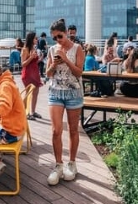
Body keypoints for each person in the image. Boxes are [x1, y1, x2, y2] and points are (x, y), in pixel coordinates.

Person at [46, 18, 85, 185]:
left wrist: (66, 59)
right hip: (55, 92)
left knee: (73, 130)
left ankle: (72, 163)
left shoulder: (77, 49)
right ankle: (58, 164)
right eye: (54, 38)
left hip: (73, 93)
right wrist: (54, 63)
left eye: (59, 36)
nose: (57, 41)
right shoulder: (51, 50)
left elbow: (78, 73)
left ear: (66, 32)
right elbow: (48, 74)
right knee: (56, 131)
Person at [21, 31, 43, 120]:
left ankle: (32, 112)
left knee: (35, 93)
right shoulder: (25, 49)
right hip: (28, 74)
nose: (37, 40)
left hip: (35, 73)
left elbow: (33, 63)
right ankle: (25, 113)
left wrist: (39, 59)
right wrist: (30, 57)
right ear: (31, 39)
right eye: (35, 38)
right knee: (28, 93)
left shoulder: (33, 48)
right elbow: (23, 64)